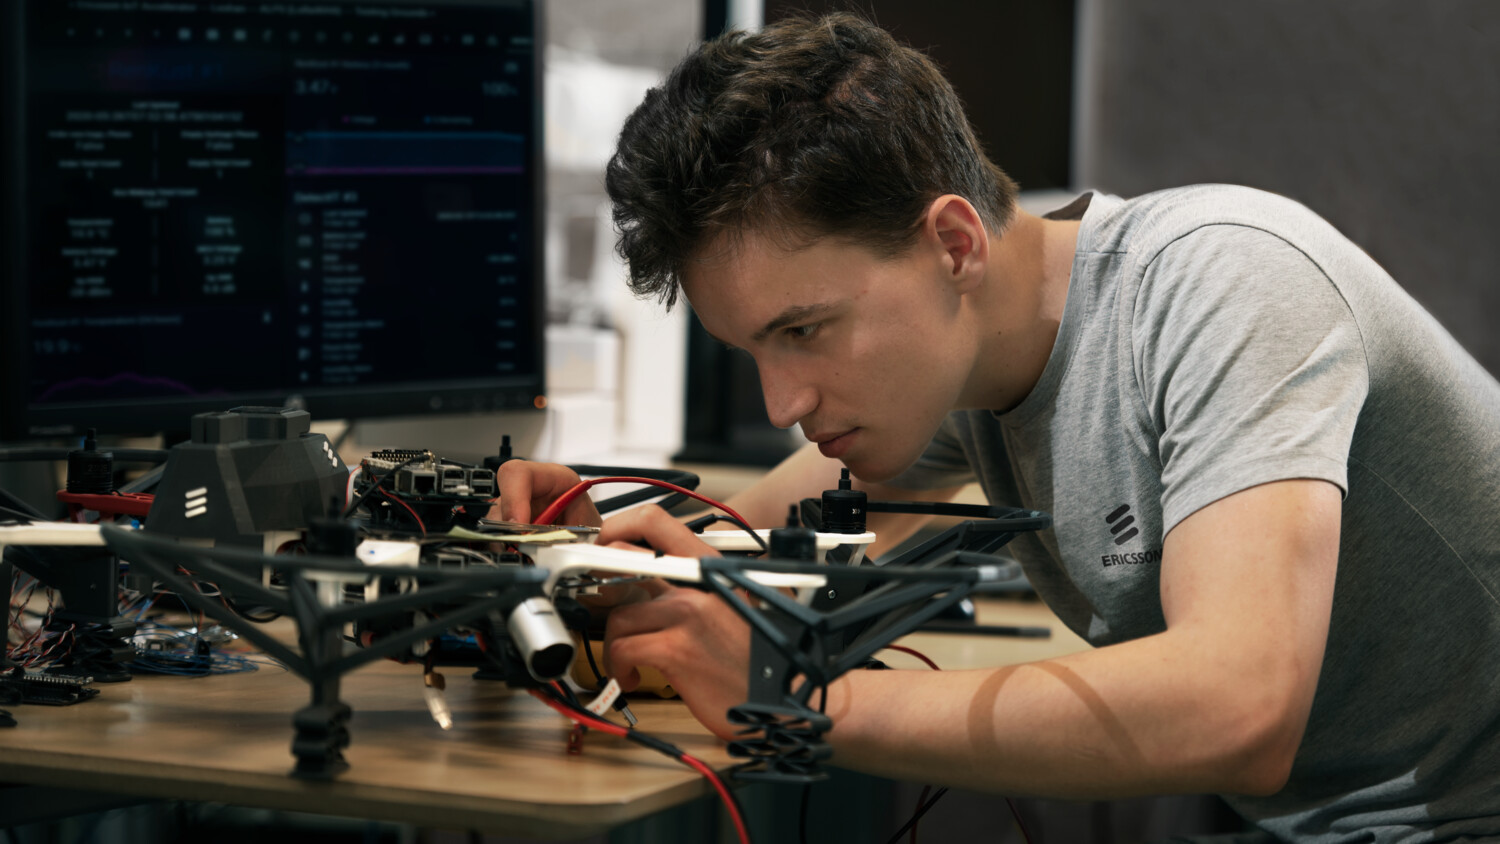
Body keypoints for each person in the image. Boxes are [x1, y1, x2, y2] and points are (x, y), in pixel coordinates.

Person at [497, 12, 1500, 842]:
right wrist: (589, 540)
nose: (782, 403)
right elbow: (745, 535)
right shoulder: (969, 360)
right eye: (756, 350)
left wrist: (793, 696)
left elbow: (1239, 706)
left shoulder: (1228, 287)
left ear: (952, 242)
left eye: (804, 330)